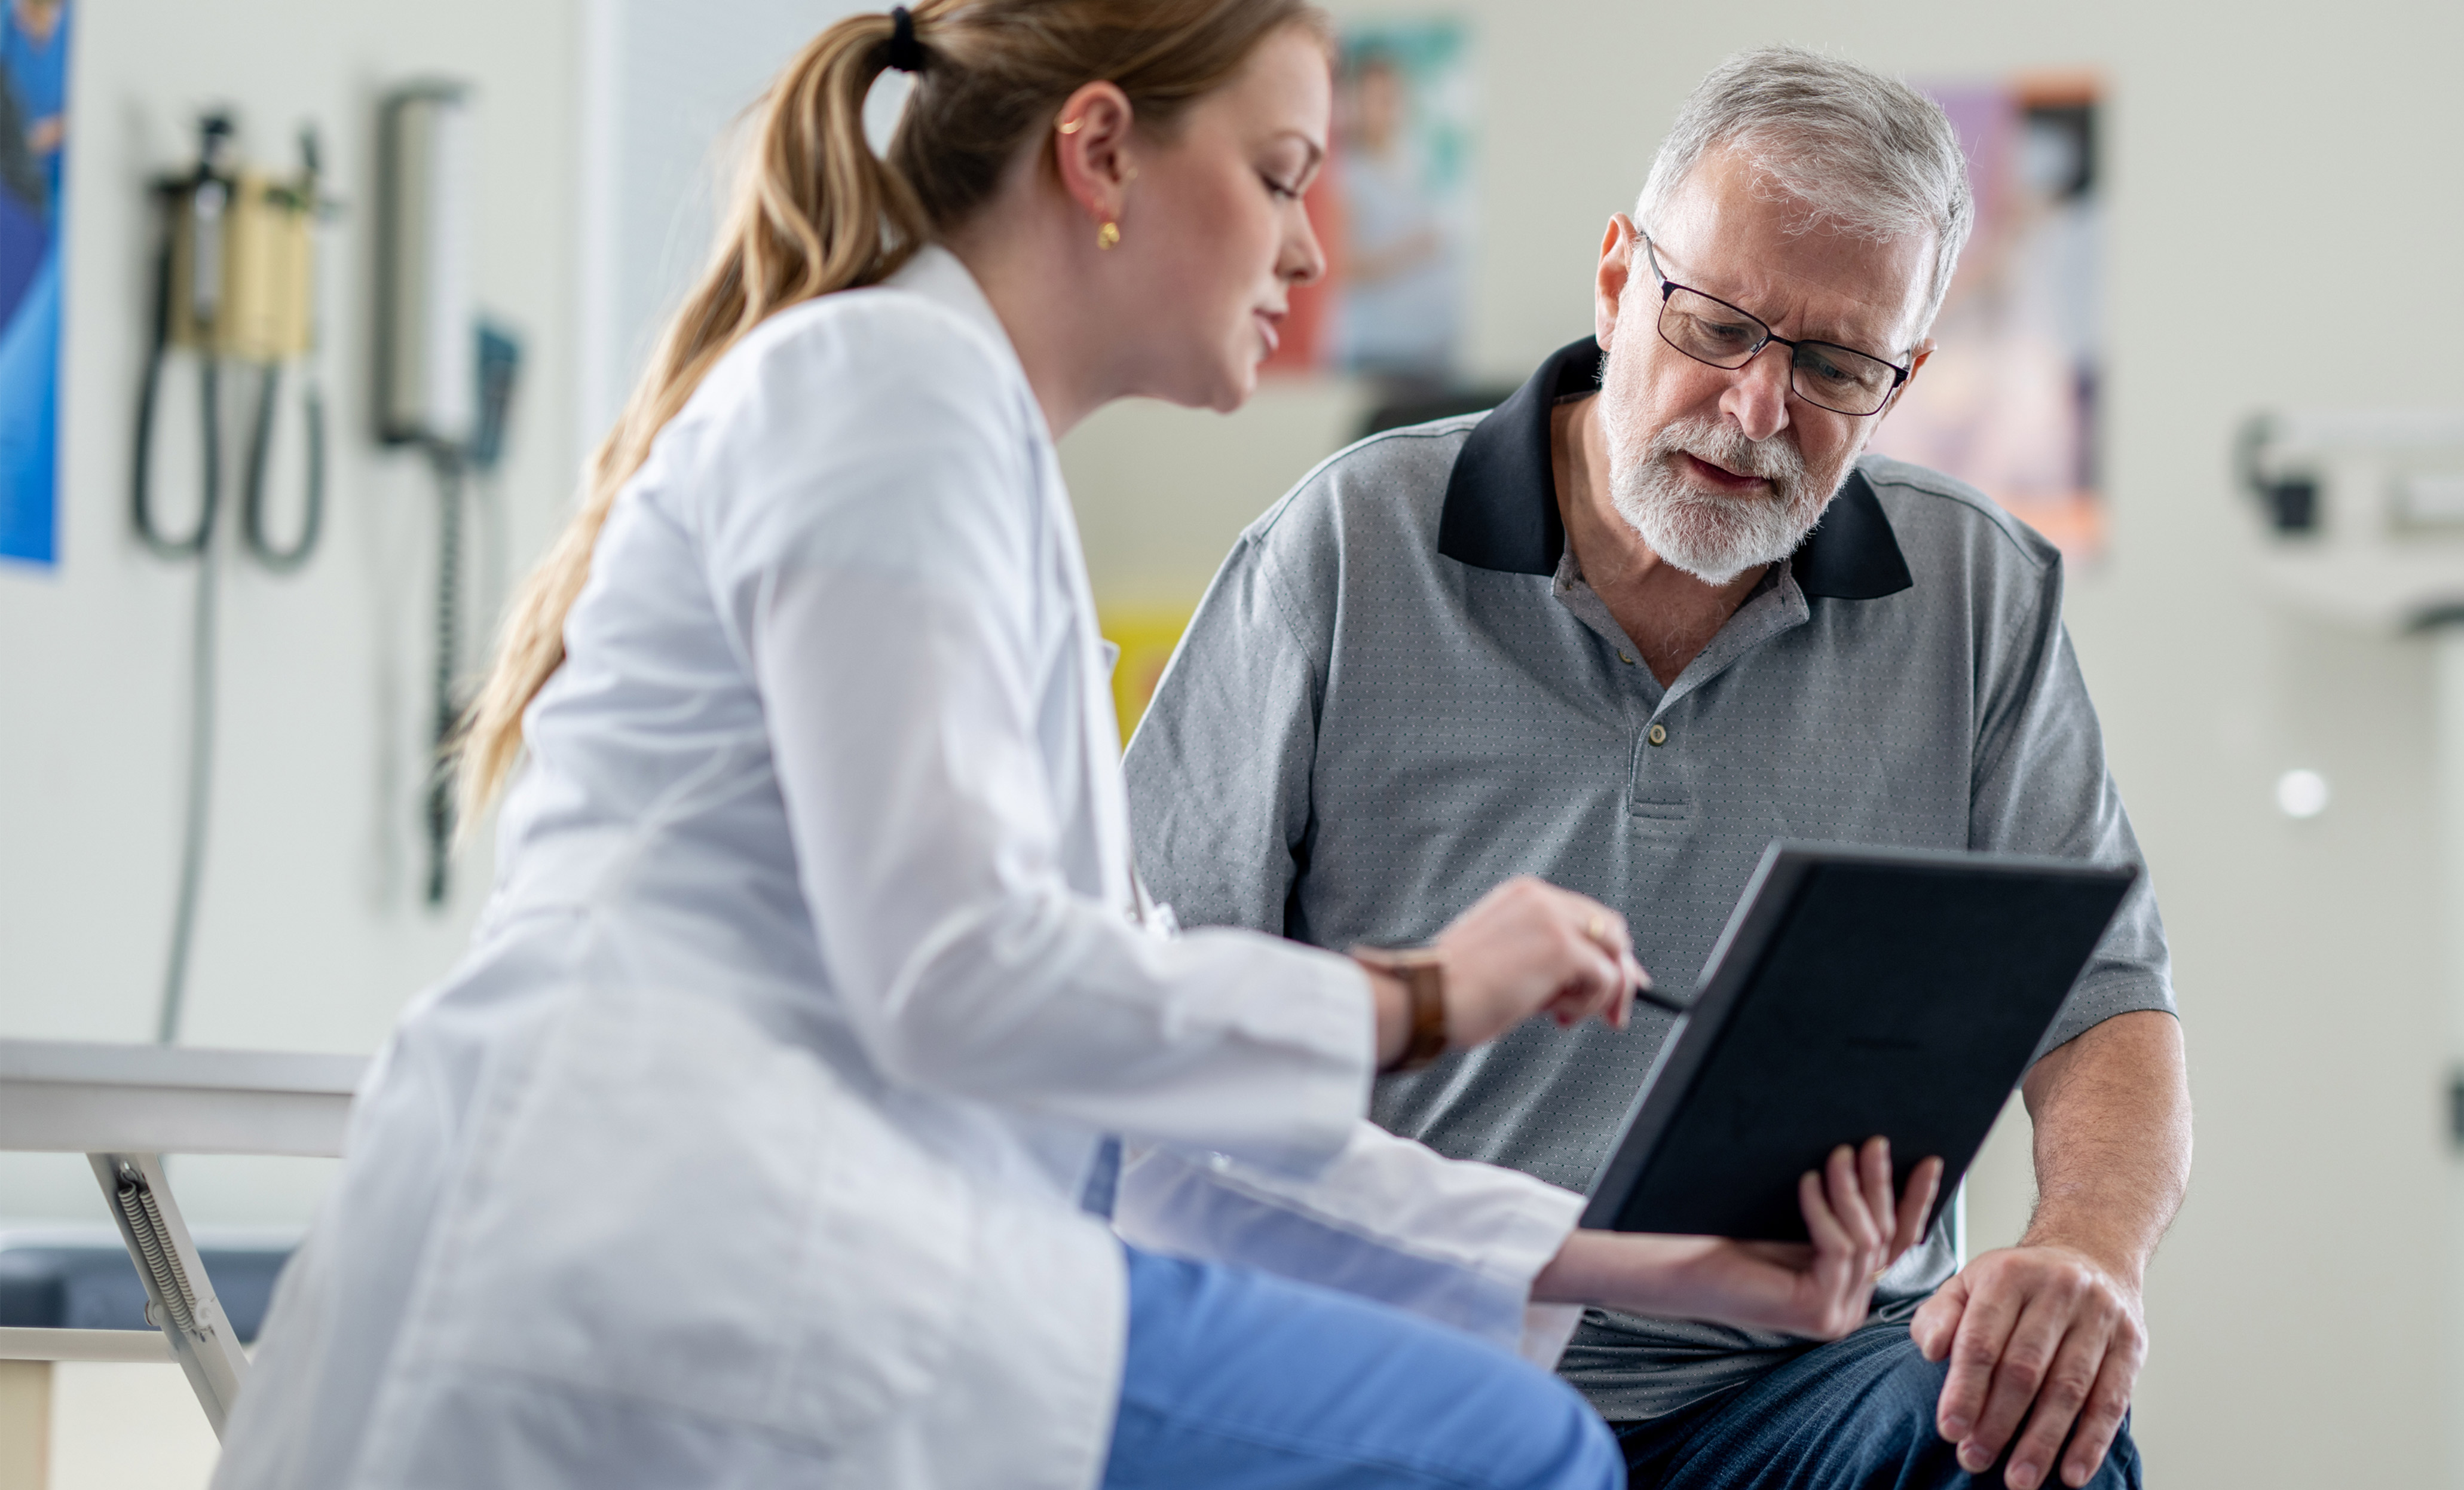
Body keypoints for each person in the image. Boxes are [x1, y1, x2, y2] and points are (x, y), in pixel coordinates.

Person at [209, 10, 1941, 1489]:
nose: (1312, 249)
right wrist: (1420, 992)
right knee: (1518, 1450)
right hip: (666, 1270)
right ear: (1101, 153)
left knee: (1517, 1440)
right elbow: (961, 978)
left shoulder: (956, 444)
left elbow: (1153, 1111)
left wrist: (1671, 1267)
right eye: (1277, 175)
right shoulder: (884, 392)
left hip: (808, 1268)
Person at [1127, 46, 2190, 1490]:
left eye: (1834, 366)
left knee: (2024, 1427)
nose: (1759, 411)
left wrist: (2082, 1251)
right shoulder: (1344, 547)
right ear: (1621, 280)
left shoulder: (1979, 593)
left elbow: (2106, 1005)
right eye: (1722, 327)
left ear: (1904, 378)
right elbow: (1154, 1007)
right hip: (1416, 1354)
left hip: (1802, 1375)